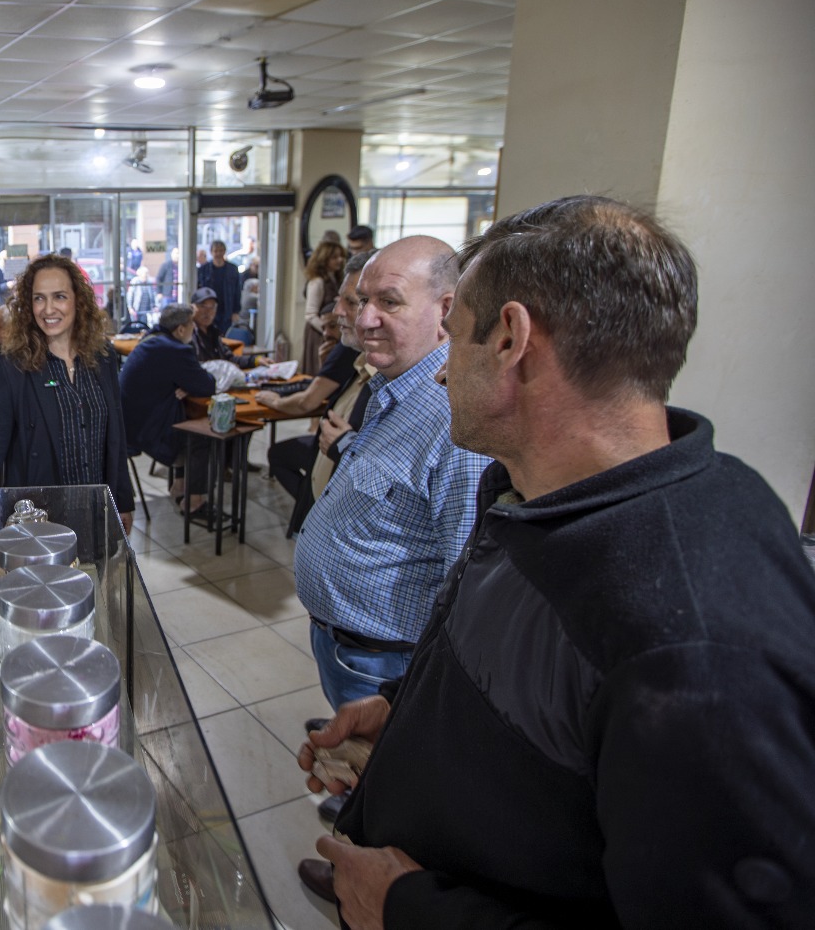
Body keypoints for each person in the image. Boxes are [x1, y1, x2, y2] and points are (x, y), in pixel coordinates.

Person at [299, 196, 815, 928]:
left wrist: (409, 908)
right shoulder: (531, 493)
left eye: (458, 339)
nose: (442, 375)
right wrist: (408, 717)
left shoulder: (695, 637)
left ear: (510, 339)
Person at [292, 236, 489, 710]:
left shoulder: (456, 421)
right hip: (347, 650)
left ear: (446, 309)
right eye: (362, 300)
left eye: (389, 302)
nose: (364, 320)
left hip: (385, 669)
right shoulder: (393, 390)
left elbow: (464, 591)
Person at [0, 254, 135, 548]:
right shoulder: (13, 367)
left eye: (59, 297)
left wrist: (123, 501)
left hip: (97, 510)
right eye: (39, 298)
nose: (48, 309)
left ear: (78, 300)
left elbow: (116, 436)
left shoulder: (102, 357)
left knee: (92, 589)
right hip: (40, 516)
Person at [256, 251, 374, 506]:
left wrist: (275, 401)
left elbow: (309, 402)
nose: (338, 312)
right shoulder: (359, 361)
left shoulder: (354, 352)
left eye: (351, 302)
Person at [119, 304, 217, 515]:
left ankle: (179, 486)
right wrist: (186, 382)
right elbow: (208, 385)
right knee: (202, 436)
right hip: (143, 430)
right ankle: (194, 501)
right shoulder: (175, 350)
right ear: (181, 329)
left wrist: (183, 382)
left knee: (187, 422)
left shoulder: (151, 340)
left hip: (128, 424)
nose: (195, 329)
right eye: (192, 324)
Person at [300, 239, 346, 376]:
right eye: (334, 257)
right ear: (324, 259)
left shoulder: (335, 279)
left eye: (340, 256)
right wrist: (329, 330)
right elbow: (310, 314)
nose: (340, 260)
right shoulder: (317, 282)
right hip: (319, 332)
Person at [190, 286, 258, 368]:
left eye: (212, 307)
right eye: (203, 306)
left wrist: (255, 361)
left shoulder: (214, 333)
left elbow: (229, 358)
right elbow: (192, 366)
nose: (207, 312)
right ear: (192, 308)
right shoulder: (188, 335)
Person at [196, 239, 244, 330]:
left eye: (221, 251)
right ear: (211, 252)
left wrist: (236, 311)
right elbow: (198, 291)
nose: (218, 254)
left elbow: (237, 291)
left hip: (227, 310)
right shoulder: (203, 270)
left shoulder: (232, 269)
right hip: (208, 309)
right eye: (216, 251)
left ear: (224, 251)